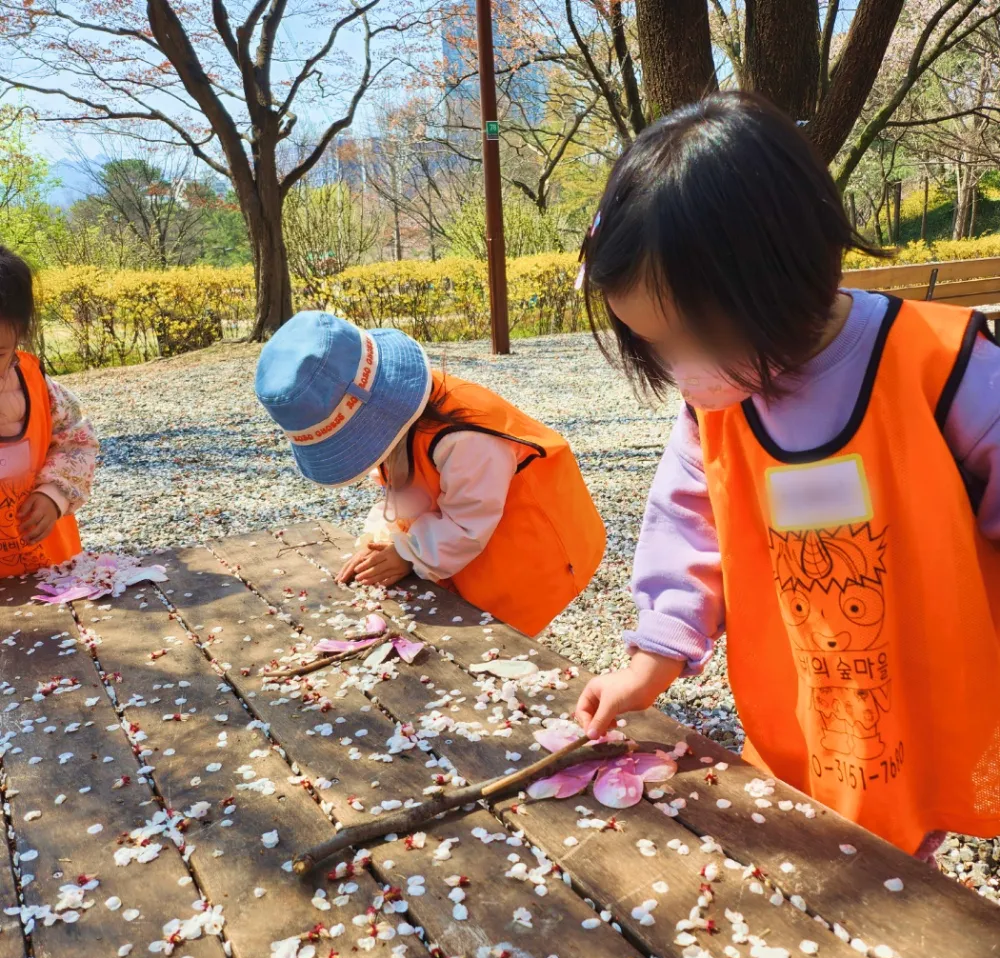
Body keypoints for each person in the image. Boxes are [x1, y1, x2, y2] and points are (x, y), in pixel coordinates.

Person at [573, 91, 1000, 858]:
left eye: (695, 336)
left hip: (936, 690)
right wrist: (652, 659)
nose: (683, 368)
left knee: (906, 854)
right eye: (659, 347)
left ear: (783, 274)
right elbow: (686, 526)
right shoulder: (713, 406)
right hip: (808, 700)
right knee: (838, 850)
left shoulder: (943, 368)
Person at [255, 312, 606, 636]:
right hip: (474, 541)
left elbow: (469, 522)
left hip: (534, 548)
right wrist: (381, 538)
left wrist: (409, 554)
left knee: (508, 639)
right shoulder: (399, 424)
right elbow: (402, 489)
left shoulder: (467, 436)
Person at [0, 246, 98, 576]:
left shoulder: (40, 390)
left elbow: (77, 442)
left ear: (18, 338)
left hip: (47, 565)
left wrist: (54, 494)